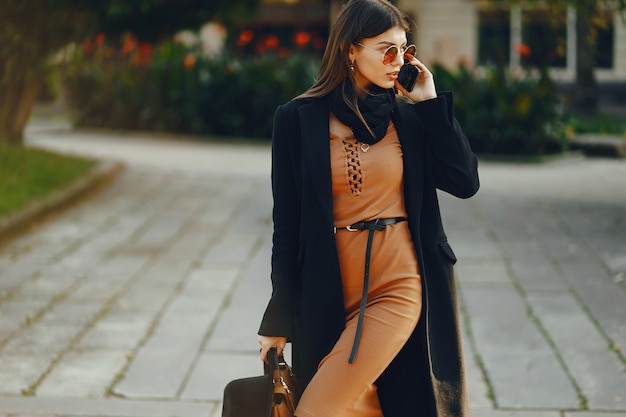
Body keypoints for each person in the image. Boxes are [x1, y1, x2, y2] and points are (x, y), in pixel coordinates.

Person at [257, 0, 479, 416]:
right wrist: (277, 317)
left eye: (405, 50)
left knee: (318, 408)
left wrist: (430, 103)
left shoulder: (410, 120)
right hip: (327, 285)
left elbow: (465, 182)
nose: (399, 61)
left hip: (397, 283)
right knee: (363, 407)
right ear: (350, 50)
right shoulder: (296, 119)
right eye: (387, 49)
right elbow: (285, 225)